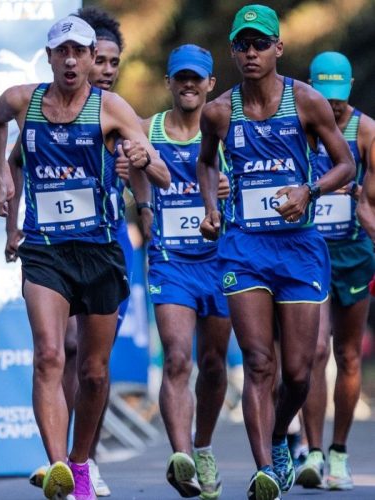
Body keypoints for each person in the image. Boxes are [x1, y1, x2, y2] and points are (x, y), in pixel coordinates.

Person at [0, 14, 169, 500]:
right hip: (45, 250)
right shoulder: (22, 101)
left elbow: (164, 174)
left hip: (100, 250)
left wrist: (140, 157)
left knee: (93, 371)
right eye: (61, 51)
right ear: (49, 57)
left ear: (91, 59)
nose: (71, 60)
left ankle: (81, 461)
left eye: (79, 52)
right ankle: (57, 469)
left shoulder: (110, 107)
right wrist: (3, 180)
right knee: (49, 354)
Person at [196, 5, 355, 499]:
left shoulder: (306, 101)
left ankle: (283, 437)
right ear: (233, 51)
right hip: (244, 249)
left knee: (299, 371)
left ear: (278, 49)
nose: (250, 53)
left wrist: (309, 191)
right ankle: (265, 467)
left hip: (300, 249)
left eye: (260, 44)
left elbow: (345, 164)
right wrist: (211, 208)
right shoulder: (219, 110)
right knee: (259, 362)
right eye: (241, 45)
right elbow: (205, 163)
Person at [136, 44, 231, 499]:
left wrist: (234, 187)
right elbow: (124, 162)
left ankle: (204, 444)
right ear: (169, 83)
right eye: (181, 77)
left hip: (222, 262)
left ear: (211, 83)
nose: (189, 84)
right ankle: (183, 459)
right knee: (177, 357)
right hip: (171, 262)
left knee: (213, 366)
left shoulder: (227, 129)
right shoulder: (147, 129)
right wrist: (140, 204)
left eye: (198, 78)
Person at [295, 51, 375, 491]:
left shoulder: (366, 132)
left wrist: (358, 193)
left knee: (346, 354)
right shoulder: (298, 127)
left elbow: (373, 206)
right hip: (309, 252)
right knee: (314, 354)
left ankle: (339, 451)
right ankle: (312, 450)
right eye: (326, 98)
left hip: (354, 252)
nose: (334, 106)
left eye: (340, 98)